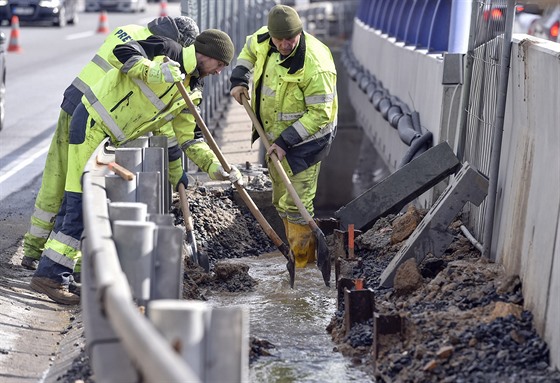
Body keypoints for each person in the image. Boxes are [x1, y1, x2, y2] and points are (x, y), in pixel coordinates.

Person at [30, 30, 241, 305]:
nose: (219, 72)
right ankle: (50, 277)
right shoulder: (167, 49)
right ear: (206, 55)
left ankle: (59, 275)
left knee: (83, 204)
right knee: (79, 202)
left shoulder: (193, 90)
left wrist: (217, 168)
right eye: (220, 65)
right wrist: (157, 71)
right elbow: (123, 53)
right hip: (92, 123)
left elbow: (190, 139)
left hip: (108, 138)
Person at [21, 16, 200, 273]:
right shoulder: (161, 53)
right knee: (80, 190)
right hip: (97, 117)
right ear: (181, 41)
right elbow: (157, 114)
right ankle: (69, 263)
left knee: (62, 180)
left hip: (77, 104)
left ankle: (34, 251)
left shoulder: (130, 30)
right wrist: (174, 165)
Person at [230, 5, 338, 269]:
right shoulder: (265, 39)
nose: (285, 44)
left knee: (297, 204)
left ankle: (303, 266)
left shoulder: (315, 64)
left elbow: (320, 114)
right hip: (273, 138)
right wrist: (239, 78)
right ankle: (297, 255)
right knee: (281, 200)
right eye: (279, 39)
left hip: (305, 143)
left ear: (299, 32)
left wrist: (285, 142)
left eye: (290, 38)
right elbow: (247, 50)